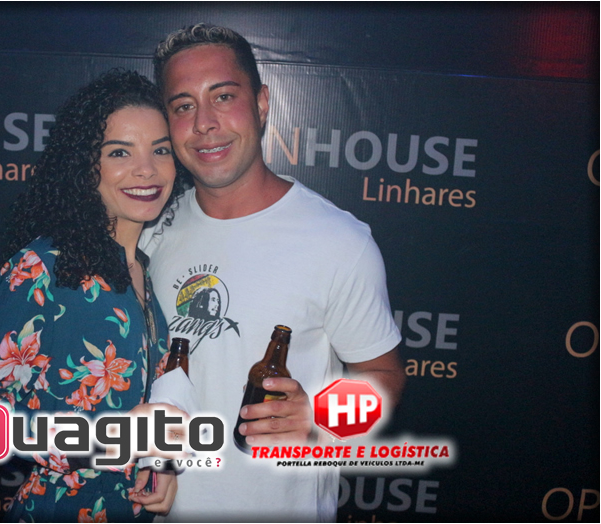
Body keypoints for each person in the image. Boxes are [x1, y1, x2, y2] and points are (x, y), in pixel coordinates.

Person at [140, 24, 406, 522]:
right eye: (183, 106)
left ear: (262, 104)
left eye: (223, 97)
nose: (204, 123)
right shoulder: (150, 231)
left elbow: (385, 374)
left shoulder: (338, 241)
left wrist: (321, 415)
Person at [0, 69, 189, 522]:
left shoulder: (144, 267)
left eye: (160, 150)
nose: (147, 169)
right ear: (84, 166)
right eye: (119, 152)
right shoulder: (44, 268)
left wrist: (164, 462)